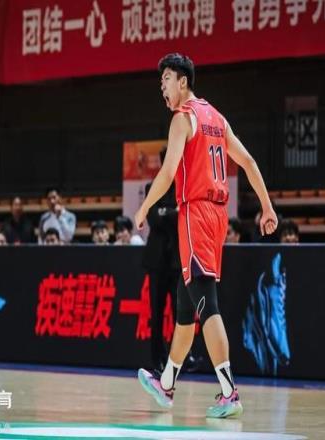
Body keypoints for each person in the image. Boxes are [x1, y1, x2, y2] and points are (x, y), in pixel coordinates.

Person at [134, 53, 277, 419]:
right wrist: (267, 207)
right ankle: (166, 383)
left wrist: (144, 207)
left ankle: (229, 392)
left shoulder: (183, 118)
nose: (162, 87)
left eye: (166, 79)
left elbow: (168, 173)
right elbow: (249, 162)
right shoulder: (216, 117)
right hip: (217, 216)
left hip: (196, 213)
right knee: (186, 309)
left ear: (183, 82)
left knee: (206, 305)